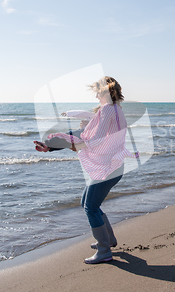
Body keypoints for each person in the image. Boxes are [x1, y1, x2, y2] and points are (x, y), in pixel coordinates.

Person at [34, 76, 137, 264]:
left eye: (98, 91)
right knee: (87, 202)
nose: (96, 95)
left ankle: (104, 249)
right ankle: (109, 239)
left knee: (90, 206)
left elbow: (92, 140)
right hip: (113, 165)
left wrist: (51, 145)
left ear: (106, 91)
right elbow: (93, 136)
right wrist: (55, 145)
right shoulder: (116, 110)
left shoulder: (107, 110)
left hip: (108, 167)